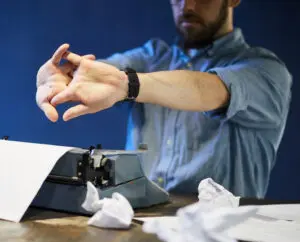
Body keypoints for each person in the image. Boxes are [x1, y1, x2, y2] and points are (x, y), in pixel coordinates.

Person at [36, 0, 292, 198]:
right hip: (139, 225)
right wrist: (65, 78)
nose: (188, 6)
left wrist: (128, 84)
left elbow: (208, 90)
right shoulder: (152, 57)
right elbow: (100, 74)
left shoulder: (265, 71)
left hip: (223, 239)